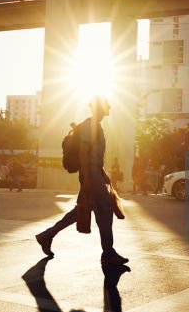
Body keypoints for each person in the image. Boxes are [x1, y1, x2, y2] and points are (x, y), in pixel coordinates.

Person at [35, 97, 129, 266]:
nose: (109, 107)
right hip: (90, 173)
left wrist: (101, 173)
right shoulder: (90, 126)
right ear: (99, 108)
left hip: (94, 172)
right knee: (105, 209)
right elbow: (85, 153)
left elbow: (93, 155)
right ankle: (108, 253)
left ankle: (47, 236)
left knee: (82, 210)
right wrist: (88, 177)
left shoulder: (95, 126)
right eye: (106, 105)